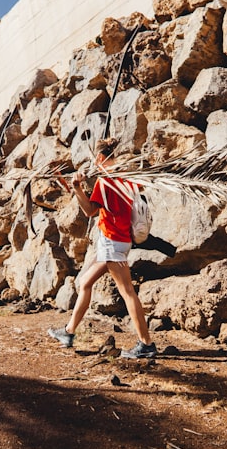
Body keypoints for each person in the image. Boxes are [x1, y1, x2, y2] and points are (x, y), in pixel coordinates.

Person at [48, 137, 156, 359]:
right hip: (121, 240)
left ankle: (146, 345)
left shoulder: (105, 183)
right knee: (86, 282)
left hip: (112, 244)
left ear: (99, 158)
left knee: (127, 292)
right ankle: (68, 332)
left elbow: (89, 211)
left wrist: (77, 188)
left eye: (95, 161)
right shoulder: (126, 179)